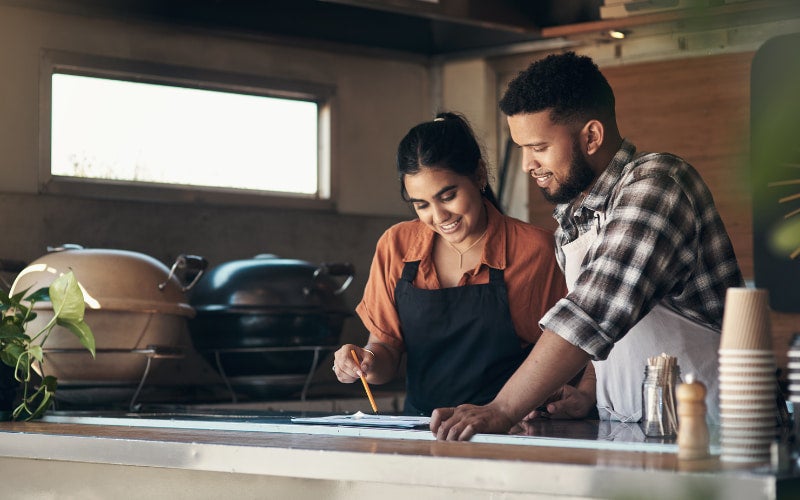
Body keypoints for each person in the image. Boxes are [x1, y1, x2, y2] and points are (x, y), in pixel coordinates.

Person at [430, 52, 744, 440]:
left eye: (539, 147)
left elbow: (592, 312)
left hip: (716, 433)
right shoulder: (571, 218)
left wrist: (502, 408)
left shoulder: (658, 183)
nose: (528, 164)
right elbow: (616, 330)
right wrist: (587, 393)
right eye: (522, 148)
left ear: (591, 137)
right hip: (637, 432)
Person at [332, 111, 594, 417]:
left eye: (448, 196)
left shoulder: (534, 251)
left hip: (513, 430)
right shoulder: (396, 246)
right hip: (422, 431)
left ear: (479, 175)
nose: (439, 216)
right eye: (422, 205)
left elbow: (584, 339)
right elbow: (385, 352)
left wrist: (587, 394)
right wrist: (365, 361)